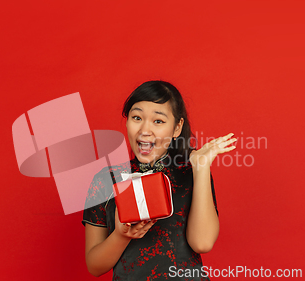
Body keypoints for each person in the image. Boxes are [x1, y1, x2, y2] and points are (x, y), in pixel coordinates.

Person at [82, 80, 236, 280]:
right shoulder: (106, 179)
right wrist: (121, 236)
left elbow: (202, 243)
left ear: (177, 128)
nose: (145, 130)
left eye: (158, 121)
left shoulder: (191, 172)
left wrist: (201, 167)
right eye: (137, 117)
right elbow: (94, 266)